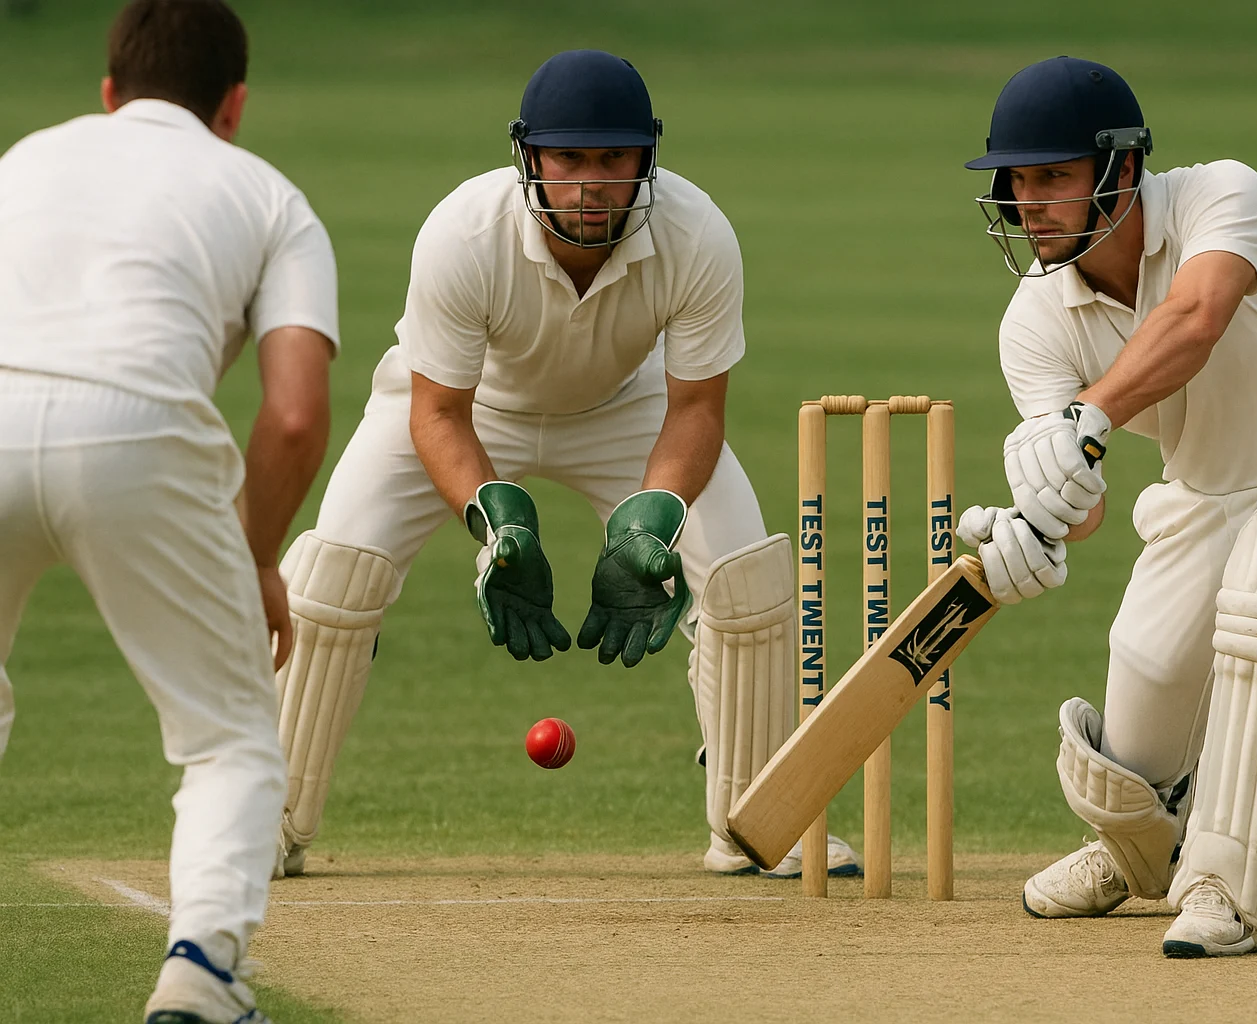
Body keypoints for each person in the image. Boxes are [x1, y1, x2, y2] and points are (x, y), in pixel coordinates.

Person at [270, 48, 859, 882]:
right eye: (569, 159)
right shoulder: (464, 233)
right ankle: (271, 819)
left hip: (627, 407)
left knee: (742, 577)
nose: (590, 183)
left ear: (645, 160)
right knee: (336, 575)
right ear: (530, 158)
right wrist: (496, 518)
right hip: (469, 406)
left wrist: (653, 518)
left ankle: (762, 820)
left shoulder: (697, 235)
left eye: (613, 159)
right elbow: (436, 412)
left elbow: (695, 409)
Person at [955, 56, 1257, 957]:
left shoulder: (1222, 194)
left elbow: (1196, 318)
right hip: (1203, 500)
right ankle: (1138, 850)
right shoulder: (1031, 320)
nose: (1029, 204)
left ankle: (1226, 886)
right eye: (1016, 182)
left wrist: (1087, 417)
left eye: (1052, 177)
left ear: (1122, 169)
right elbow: (1083, 495)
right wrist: (1040, 526)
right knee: (1139, 700)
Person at [0, 1, 338, 1019]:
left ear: (109, 94)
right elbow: (291, 417)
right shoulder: (271, 197)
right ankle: (200, 974)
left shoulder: (23, 160)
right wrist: (257, 559)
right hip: (141, 434)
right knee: (229, 735)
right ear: (233, 105)